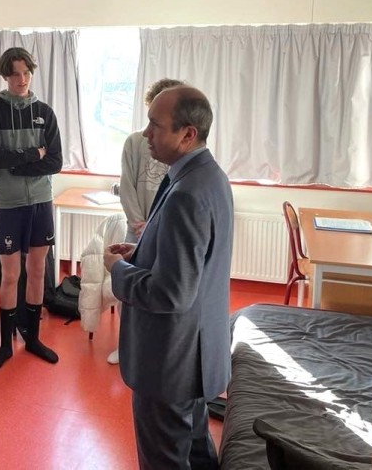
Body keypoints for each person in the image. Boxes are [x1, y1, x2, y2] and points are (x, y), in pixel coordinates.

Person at [103, 85, 233, 469]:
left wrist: (118, 271)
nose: (146, 134)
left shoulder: (186, 194)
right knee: (195, 449)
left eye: (155, 125)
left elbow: (171, 293)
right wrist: (142, 253)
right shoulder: (209, 176)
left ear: (187, 134)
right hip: (195, 354)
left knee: (165, 460)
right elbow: (197, 262)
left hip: (170, 362)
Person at [0, 46, 63, 373]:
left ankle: (33, 338)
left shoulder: (45, 112)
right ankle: (4, 345)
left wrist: (16, 165)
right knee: (11, 274)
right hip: (10, 204)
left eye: (26, 73)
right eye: (15, 74)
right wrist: (32, 155)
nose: (22, 79)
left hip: (41, 200)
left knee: (38, 270)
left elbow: (55, 162)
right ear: (5, 75)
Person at [108, 77, 184, 365]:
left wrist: (154, 226)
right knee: (129, 290)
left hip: (164, 229)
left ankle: (156, 349)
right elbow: (127, 185)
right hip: (136, 229)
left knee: (160, 291)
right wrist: (139, 222)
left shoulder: (179, 144)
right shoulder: (134, 142)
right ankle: (127, 346)